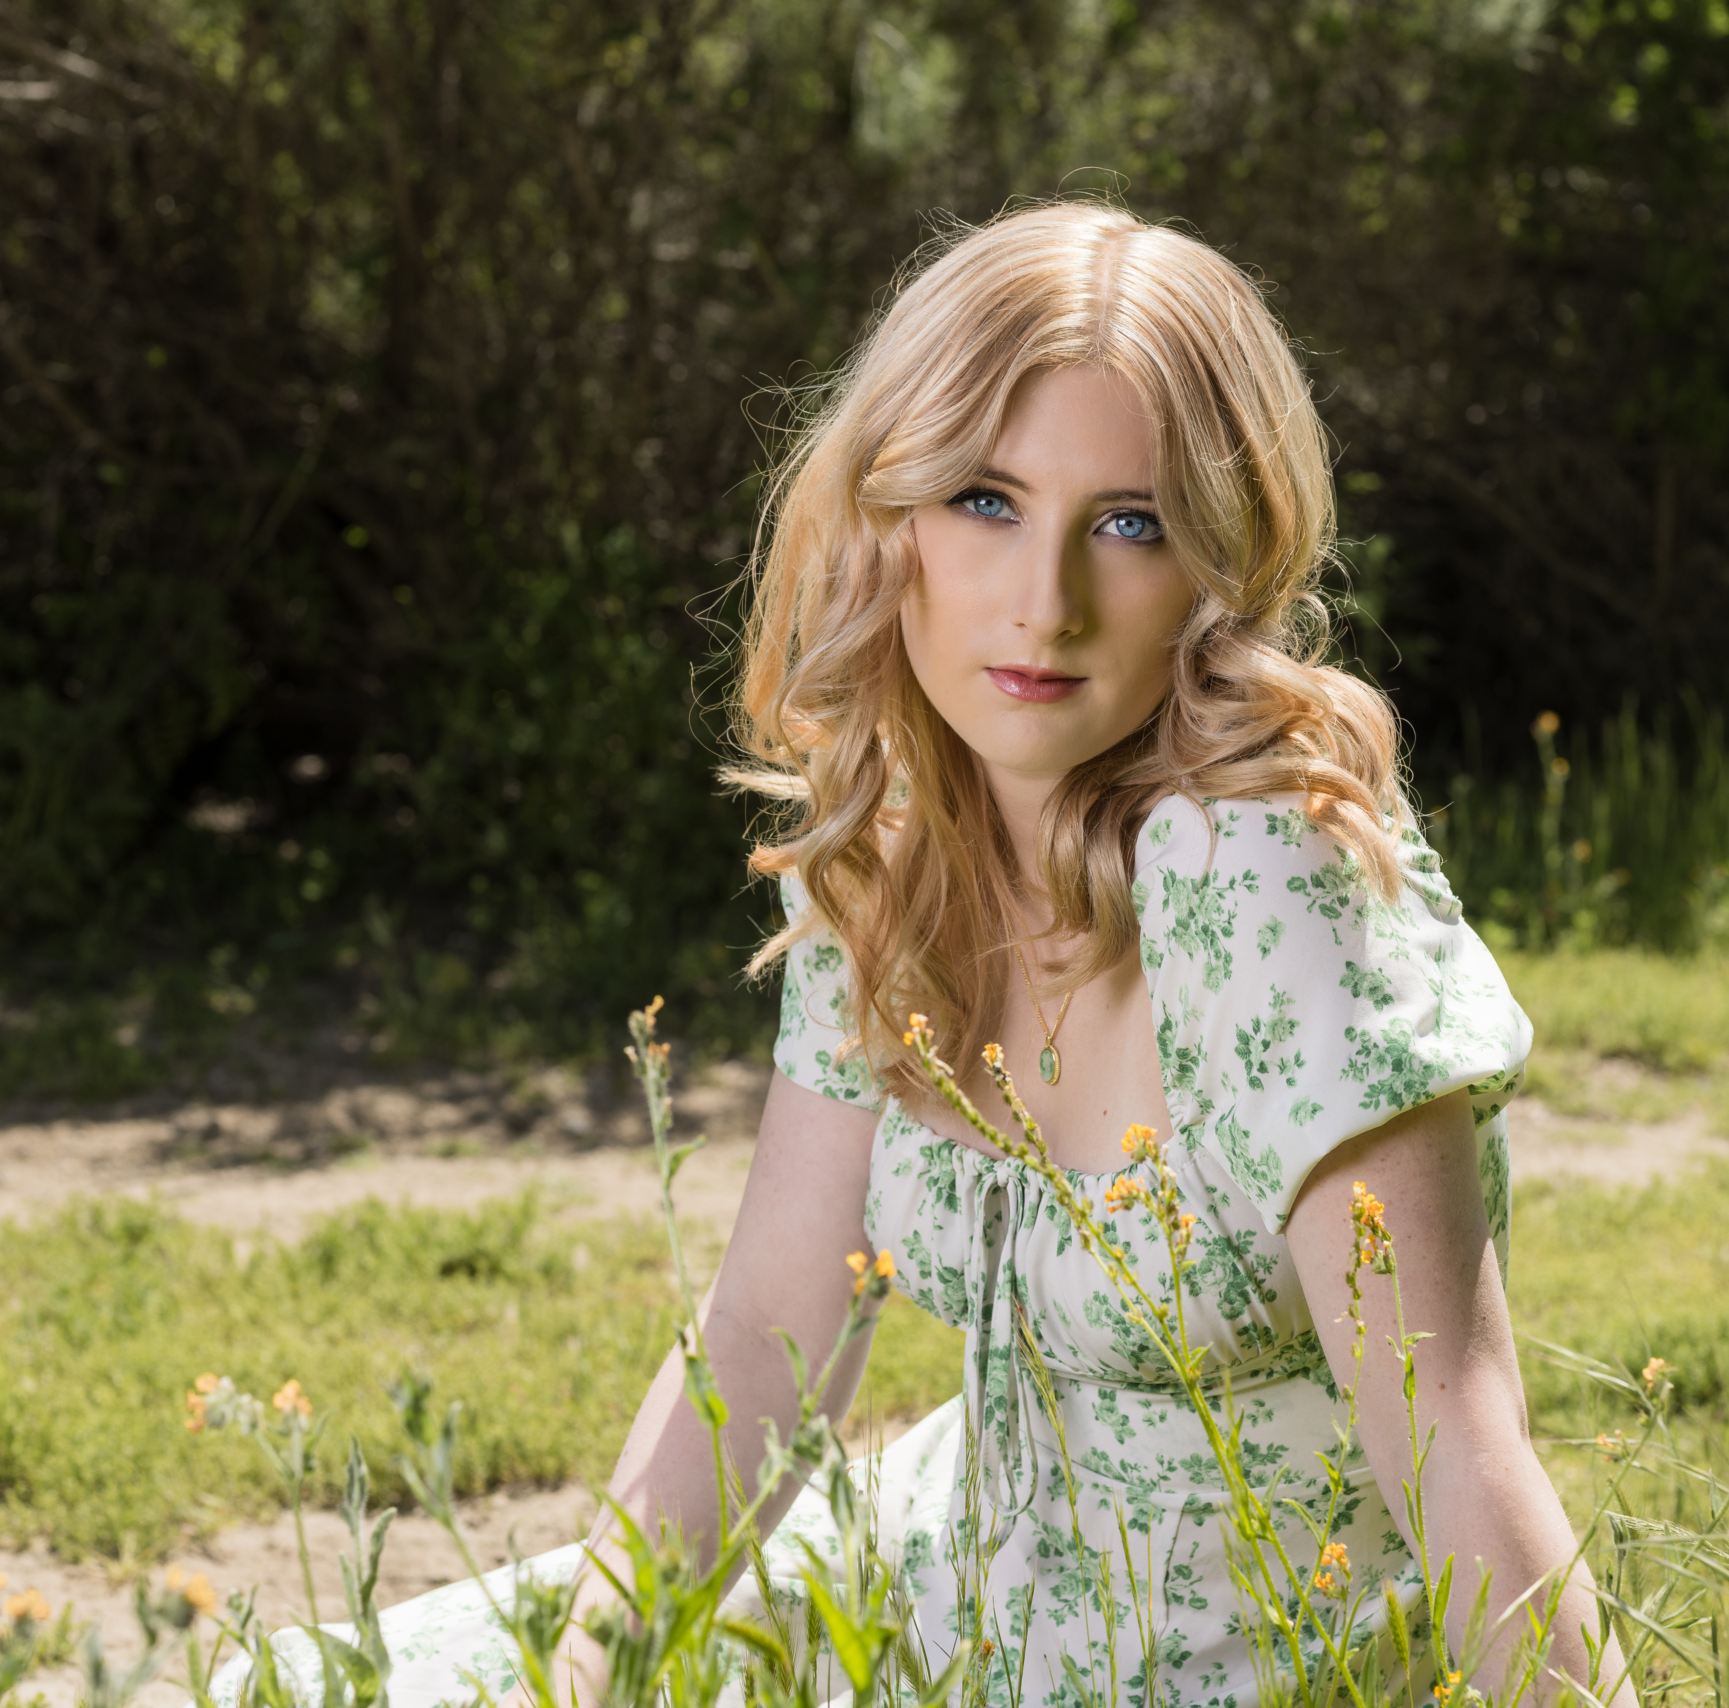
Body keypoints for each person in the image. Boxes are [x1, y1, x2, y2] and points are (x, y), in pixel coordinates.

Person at [220, 202, 1628, 1708]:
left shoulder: (1264, 877)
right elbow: (770, 1324)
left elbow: (1455, 1439)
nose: (1047, 600)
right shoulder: (894, 853)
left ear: (1223, 558)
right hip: (929, 1603)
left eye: (1130, 522)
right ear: (888, 512)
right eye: (984, 499)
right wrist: (590, 1680)